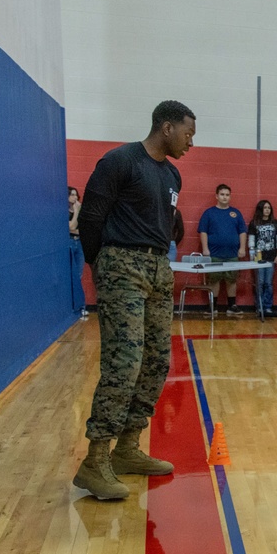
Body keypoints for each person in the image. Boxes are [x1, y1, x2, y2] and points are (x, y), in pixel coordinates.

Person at [75, 100, 196, 500]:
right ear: (167, 128)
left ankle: (127, 448)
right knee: (123, 363)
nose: (190, 142)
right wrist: (102, 264)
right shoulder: (120, 161)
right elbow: (91, 218)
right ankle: (95, 460)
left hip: (158, 268)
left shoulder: (172, 174)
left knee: (156, 361)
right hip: (121, 266)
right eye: (188, 133)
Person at [198, 184, 247, 315]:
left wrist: (242, 248)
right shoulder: (209, 213)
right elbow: (203, 231)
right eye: (222, 194)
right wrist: (205, 249)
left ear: (230, 197)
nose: (225, 197)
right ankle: (213, 306)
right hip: (214, 254)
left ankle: (232, 306)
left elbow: (242, 232)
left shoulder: (236, 213)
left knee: (232, 280)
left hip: (232, 254)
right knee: (214, 280)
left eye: (227, 195)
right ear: (216, 196)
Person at [248, 199, 277, 317]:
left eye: (269, 208)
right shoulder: (254, 223)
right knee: (260, 282)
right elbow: (251, 241)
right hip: (258, 257)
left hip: (271, 257)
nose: (267, 210)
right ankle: (259, 306)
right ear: (260, 209)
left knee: (268, 283)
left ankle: (268, 306)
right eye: (265, 208)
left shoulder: (275, 223)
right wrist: (252, 256)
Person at [68, 186, 88, 319]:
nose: (75, 197)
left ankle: (79, 306)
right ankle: (70, 307)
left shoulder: (80, 210)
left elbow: (83, 228)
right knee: (70, 275)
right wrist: (76, 212)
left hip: (79, 242)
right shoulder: (65, 211)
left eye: (76, 195)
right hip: (69, 242)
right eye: (72, 195)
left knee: (79, 274)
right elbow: (71, 226)